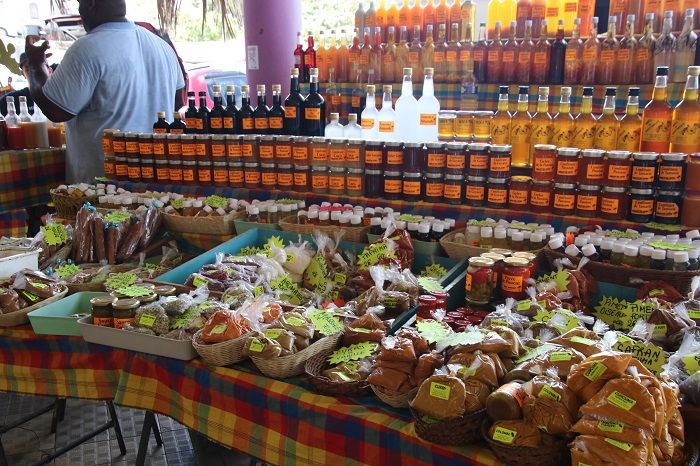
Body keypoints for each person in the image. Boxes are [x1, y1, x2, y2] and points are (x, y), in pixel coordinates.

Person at [24, 0, 185, 183]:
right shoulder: (161, 46)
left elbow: (55, 109)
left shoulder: (86, 48)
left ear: (91, 4)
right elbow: (177, 101)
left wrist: (35, 64)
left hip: (105, 186)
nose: (80, 13)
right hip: (158, 180)